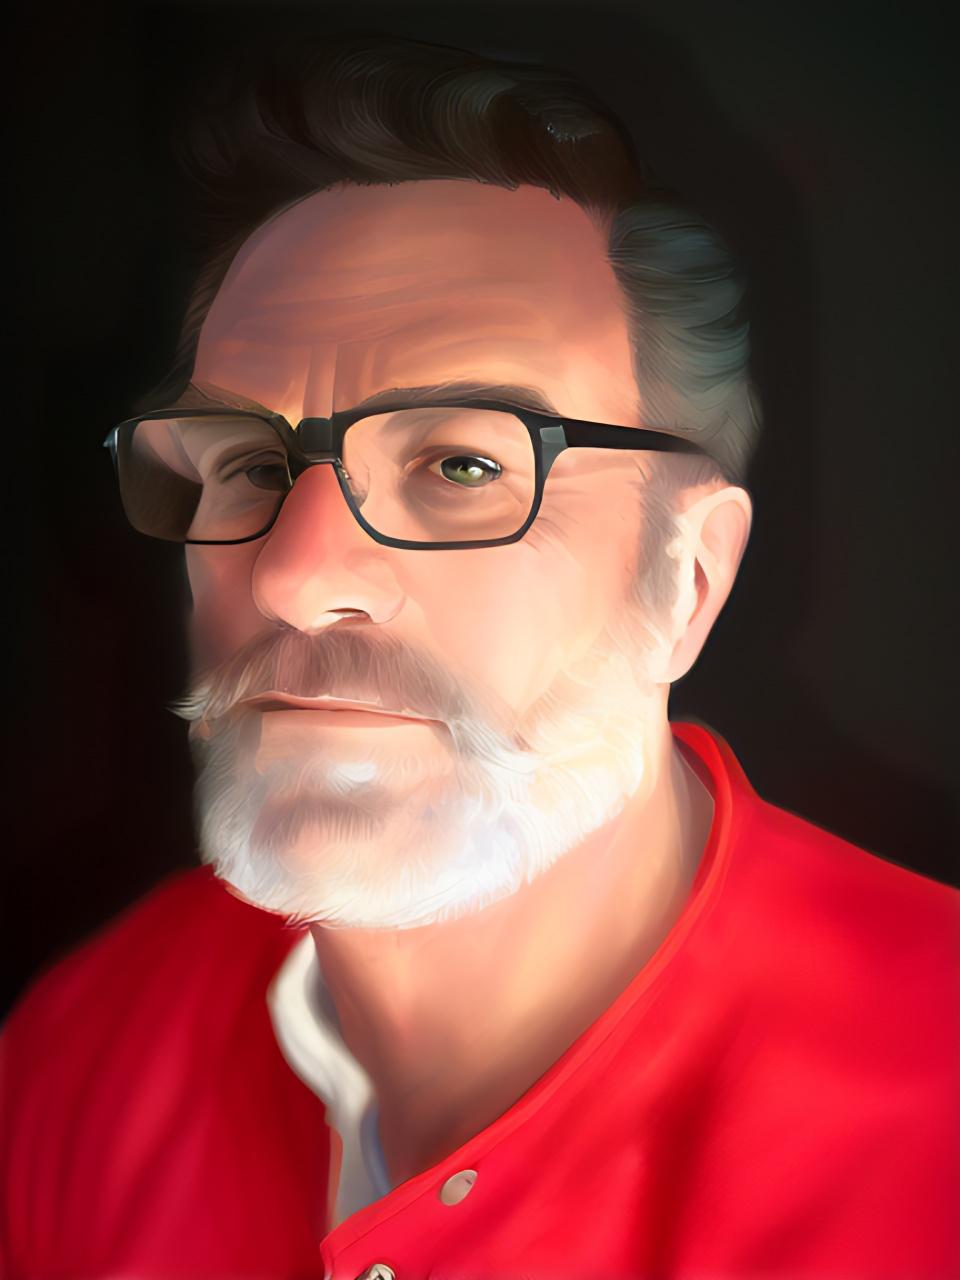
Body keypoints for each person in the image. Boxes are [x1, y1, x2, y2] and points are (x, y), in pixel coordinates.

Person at [1, 33, 957, 1280]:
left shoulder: (933, 1109)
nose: (295, 575)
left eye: (462, 463)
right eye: (245, 464)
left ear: (689, 578)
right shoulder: (82, 1049)